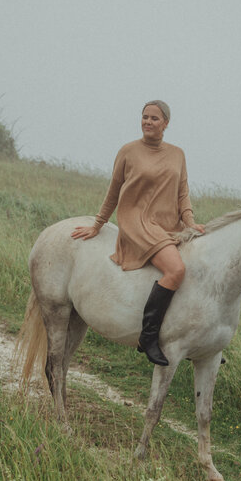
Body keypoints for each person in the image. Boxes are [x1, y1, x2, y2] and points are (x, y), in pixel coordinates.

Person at [71, 100, 205, 366]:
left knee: (200, 263)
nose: (147, 122)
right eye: (144, 117)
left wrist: (190, 223)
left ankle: (195, 337)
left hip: (170, 224)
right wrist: (97, 225)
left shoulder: (178, 154)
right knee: (176, 271)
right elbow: (113, 193)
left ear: (166, 123)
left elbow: (182, 193)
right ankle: (149, 335)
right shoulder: (128, 152)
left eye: (154, 118)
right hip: (138, 222)